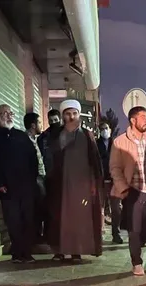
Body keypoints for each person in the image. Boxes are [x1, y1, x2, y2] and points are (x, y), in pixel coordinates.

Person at [45, 99, 103, 263]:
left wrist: (93, 184)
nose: (71, 117)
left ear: (79, 115)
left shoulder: (87, 134)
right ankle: (59, 251)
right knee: (58, 218)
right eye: (68, 114)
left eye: (74, 113)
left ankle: (76, 250)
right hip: (60, 185)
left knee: (78, 219)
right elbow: (49, 156)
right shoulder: (56, 134)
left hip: (81, 186)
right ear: (63, 116)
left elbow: (94, 162)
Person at [110, 107, 146, 276]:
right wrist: (123, 189)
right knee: (134, 229)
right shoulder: (120, 141)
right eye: (142, 117)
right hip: (134, 189)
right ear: (133, 120)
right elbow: (115, 168)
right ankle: (136, 262)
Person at [0, 104, 38, 263]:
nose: (8, 116)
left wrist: (32, 180)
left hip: (26, 187)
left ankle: (27, 253)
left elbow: (33, 159)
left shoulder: (21, 136)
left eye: (10, 113)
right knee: (12, 220)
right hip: (7, 188)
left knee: (28, 219)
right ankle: (17, 253)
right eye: (4, 113)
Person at [97, 122, 122, 244]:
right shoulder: (96, 144)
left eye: (106, 128)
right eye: (102, 129)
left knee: (116, 209)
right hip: (101, 181)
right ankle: (99, 234)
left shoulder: (117, 144)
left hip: (114, 181)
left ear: (110, 130)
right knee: (99, 208)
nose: (104, 131)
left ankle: (116, 234)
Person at [24, 112, 47, 243]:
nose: (41, 125)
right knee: (36, 210)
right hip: (35, 180)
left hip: (40, 178)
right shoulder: (26, 141)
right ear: (33, 125)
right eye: (39, 123)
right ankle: (34, 239)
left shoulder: (35, 140)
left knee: (40, 209)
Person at [39, 109, 62, 175]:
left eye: (55, 120)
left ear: (60, 120)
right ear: (48, 121)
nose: (53, 122)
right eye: (51, 120)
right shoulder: (43, 137)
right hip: (49, 172)